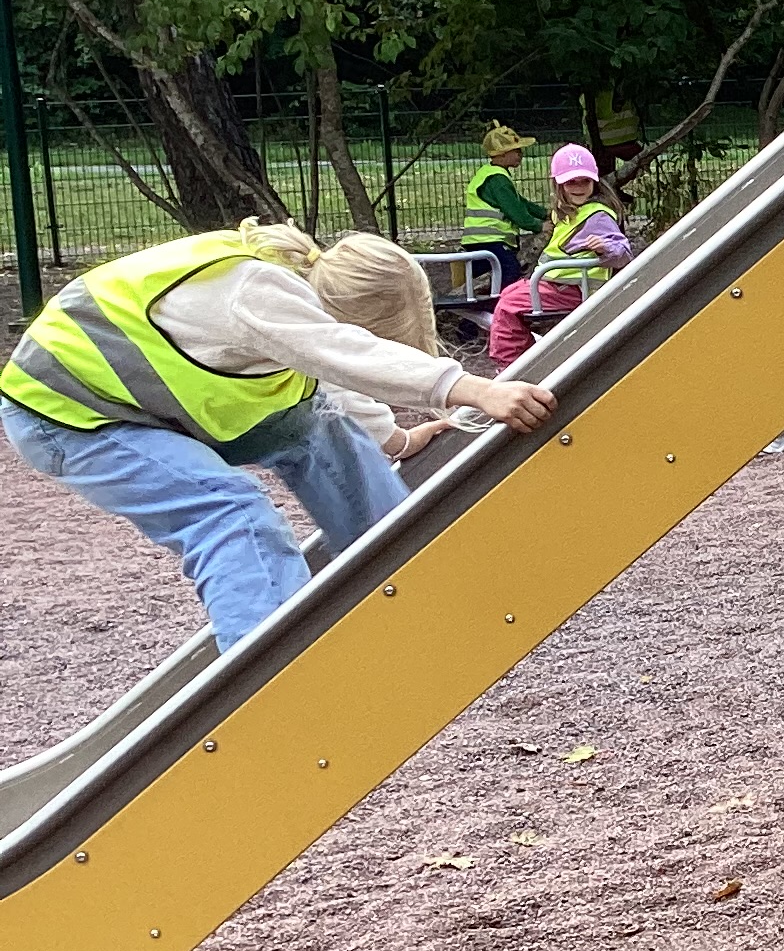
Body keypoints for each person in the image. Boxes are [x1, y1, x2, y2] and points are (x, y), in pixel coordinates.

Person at [2, 219, 558, 646]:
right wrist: (472, 389)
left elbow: (329, 382)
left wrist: (398, 441)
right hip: (67, 414)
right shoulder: (255, 290)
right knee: (229, 510)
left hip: (134, 403)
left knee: (318, 424)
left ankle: (404, 580)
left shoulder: (284, 295)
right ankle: (266, 672)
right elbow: (340, 355)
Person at [486, 145, 629, 365]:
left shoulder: (597, 216)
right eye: (571, 182)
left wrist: (605, 248)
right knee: (508, 294)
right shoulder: (568, 212)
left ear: (595, 182)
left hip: (575, 288)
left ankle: (510, 364)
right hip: (558, 284)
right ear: (558, 185)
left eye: (584, 181)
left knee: (508, 306)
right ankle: (527, 359)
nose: (578, 187)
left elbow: (624, 252)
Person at [459, 125, 545, 289]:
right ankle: (501, 303)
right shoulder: (498, 180)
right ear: (502, 153)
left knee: (487, 279)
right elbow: (517, 212)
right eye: (516, 150)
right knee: (510, 272)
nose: (520, 154)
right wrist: (539, 225)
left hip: (479, 241)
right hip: (491, 241)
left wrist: (545, 213)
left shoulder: (490, 173)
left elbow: (520, 202)